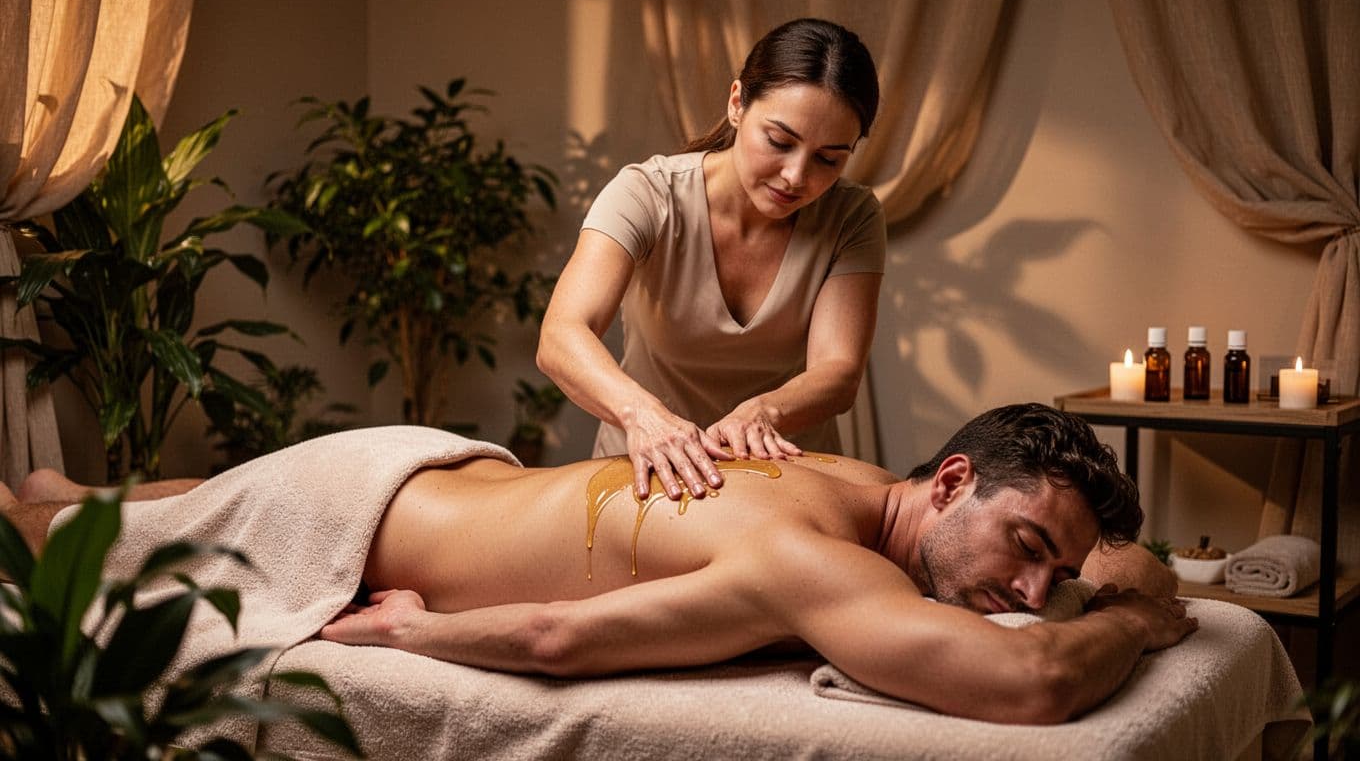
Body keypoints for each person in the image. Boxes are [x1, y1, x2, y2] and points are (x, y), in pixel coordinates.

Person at [3, 404, 1189, 724]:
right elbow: (1031, 686)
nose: (1035, 596)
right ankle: (49, 506)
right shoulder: (815, 555)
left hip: (420, 469)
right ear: (946, 483)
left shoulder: (844, 481)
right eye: (1027, 548)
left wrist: (1100, 576)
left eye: (1060, 579)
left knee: (156, 497)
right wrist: (1134, 622)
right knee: (40, 546)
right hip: (353, 516)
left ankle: (67, 486)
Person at [537, 18, 887, 503]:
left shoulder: (852, 217)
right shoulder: (646, 194)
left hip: (784, 485)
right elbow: (561, 335)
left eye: (828, 159)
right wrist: (643, 415)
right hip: (647, 472)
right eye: (780, 142)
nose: (795, 176)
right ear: (737, 103)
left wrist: (765, 412)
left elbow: (839, 371)